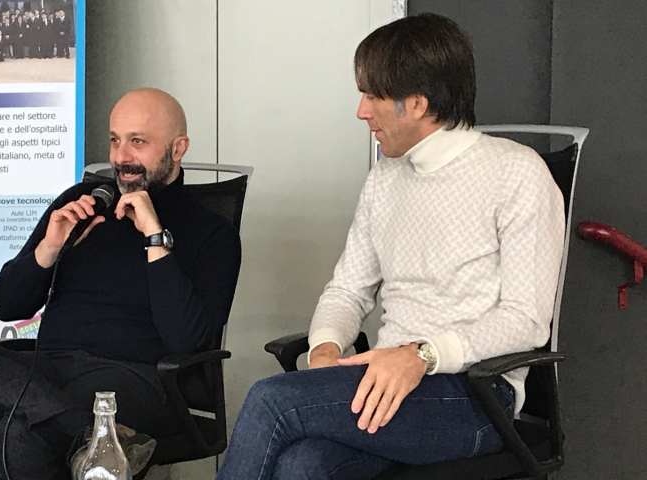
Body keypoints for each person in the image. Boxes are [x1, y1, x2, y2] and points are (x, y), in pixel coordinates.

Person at [216, 13, 565, 480]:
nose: (362, 111)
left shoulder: (517, 174)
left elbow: (526, 320)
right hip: (390, 387)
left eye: (373, 96)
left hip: (478, 398)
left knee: (271, 400)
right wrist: (324, 351)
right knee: (304, 465)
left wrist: (421, 354)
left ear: (417, 103)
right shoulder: (385, 178)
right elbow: (348, 290)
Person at [0, 88, 242, 480]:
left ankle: (80, 430)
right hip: (48, 369)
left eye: (138, 142)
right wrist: (50, 247)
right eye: (115, 140)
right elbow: (8, 305)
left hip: (133, 383)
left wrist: (155, 237)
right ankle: (92, 437)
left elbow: (186, 339)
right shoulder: (80, 203)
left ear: (178, 147)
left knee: (18, 435)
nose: (121, 158)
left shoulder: (212, 233)